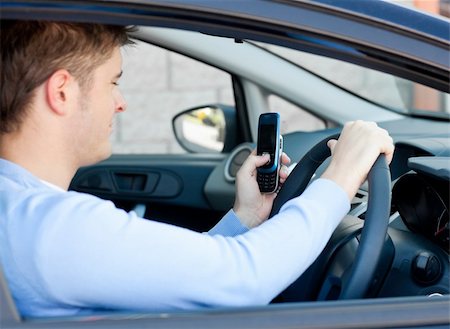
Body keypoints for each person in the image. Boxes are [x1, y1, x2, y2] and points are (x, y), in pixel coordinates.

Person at [0, 21, 394, 318]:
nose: (120, 103)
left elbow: (188, 274)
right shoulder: (52, 228)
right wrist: (342, 176)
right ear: (62, 91)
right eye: (112, 83)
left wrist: (245, 218)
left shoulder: (21, 211)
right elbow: (244, 278)